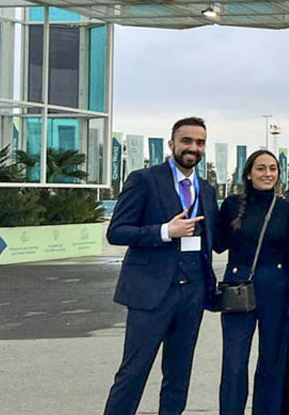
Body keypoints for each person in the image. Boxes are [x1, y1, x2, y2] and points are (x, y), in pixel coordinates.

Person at [104, 117, 219, 415]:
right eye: (187, 141)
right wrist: (165, 231)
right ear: (172, 144)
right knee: (133, 373)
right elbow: (117, 231)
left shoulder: (206, 190)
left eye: (200, 142)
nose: (193, 148)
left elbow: (216, 238)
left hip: (192, 295)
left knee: (179, 376)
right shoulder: (144, 180)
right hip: (150, 294)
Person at [216, 149, 289, 415]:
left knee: (272, 361)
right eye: (261, 168)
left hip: (275, 288)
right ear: (249, 174)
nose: (267, 174)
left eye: (273, 168)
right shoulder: (231, 204)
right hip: (237, 289)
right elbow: (217, 244)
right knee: (234, 362)